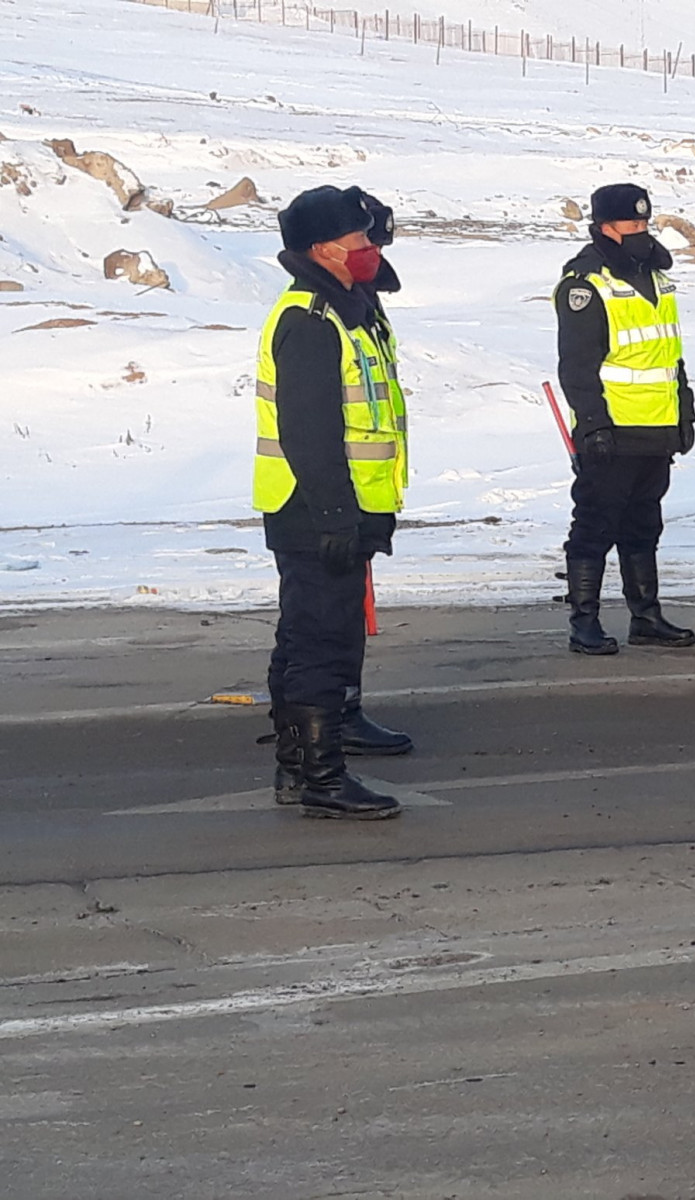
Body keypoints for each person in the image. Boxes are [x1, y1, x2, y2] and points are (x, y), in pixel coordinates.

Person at [254, 184, 411, 820]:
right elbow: (308, 431)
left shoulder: (348, 307)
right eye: (360, 241)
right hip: (316, 510)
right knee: (320, 640)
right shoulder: (310, 321)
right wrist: (334, 514)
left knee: (314, 634)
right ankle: (321, 777)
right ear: (322, 249)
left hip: (341, 507)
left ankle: (299, 767)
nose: (371, 249)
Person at [554, 183, 695, 655]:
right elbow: (577, 365)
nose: (640, 231)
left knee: (644, 524)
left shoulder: (656, 275)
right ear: (604, 227)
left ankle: (646, 615)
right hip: (612, 430)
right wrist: (592, 424)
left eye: (644, 224)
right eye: (630, 225)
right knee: (595, 524)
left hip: (656, 426)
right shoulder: (585, 283)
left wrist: (684, 409)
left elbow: (668, 352)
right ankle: (584, 622)